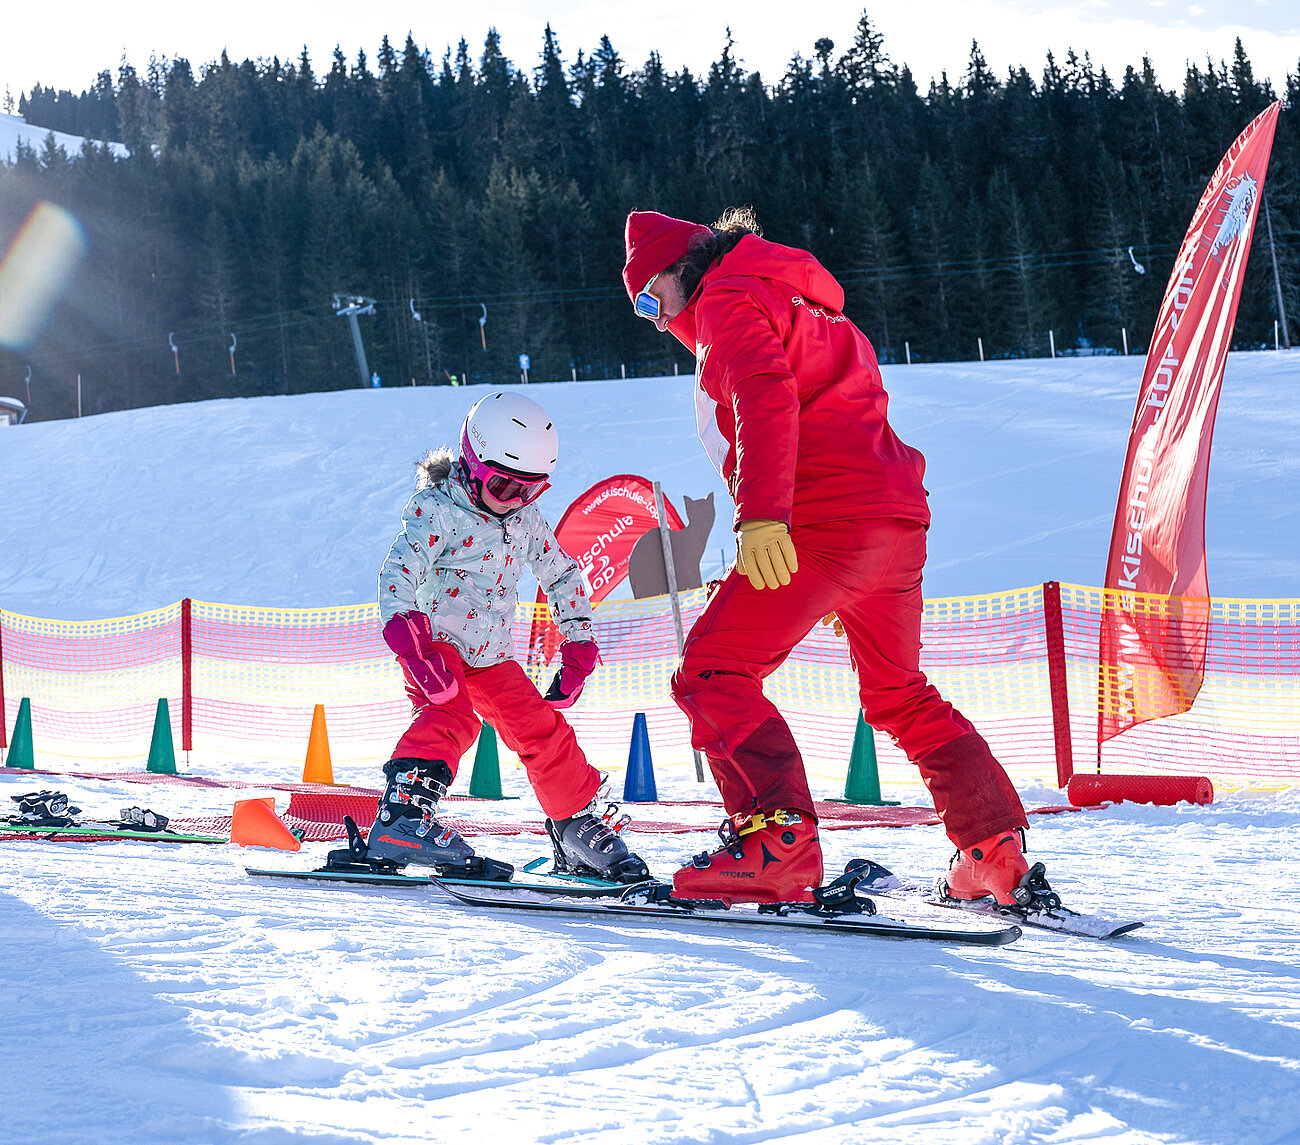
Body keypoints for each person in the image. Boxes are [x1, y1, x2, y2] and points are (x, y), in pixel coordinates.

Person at [622, 206, 1045, 907]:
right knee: (898, 692)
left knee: (710, 671)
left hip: (823, 516)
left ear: (677, 268)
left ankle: (774, 843)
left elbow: (765, 399)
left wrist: (763, 519)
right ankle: (992, 850)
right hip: (895, 518)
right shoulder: (802, 296)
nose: (653, 318)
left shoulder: (728, 298)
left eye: (647, 299)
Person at [366, 390, 648, 883]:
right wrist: (410, 641)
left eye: (530, 490)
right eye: (503, 486)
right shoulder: (436, 510)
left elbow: (561, 575)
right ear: (472, 461)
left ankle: (574, 825)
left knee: (541, 728)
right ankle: (402, 819)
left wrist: (578, 642)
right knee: (450, 715)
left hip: (493, 656)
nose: (515, 501)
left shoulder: (524, 520)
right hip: (437, 648)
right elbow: (399, 571)